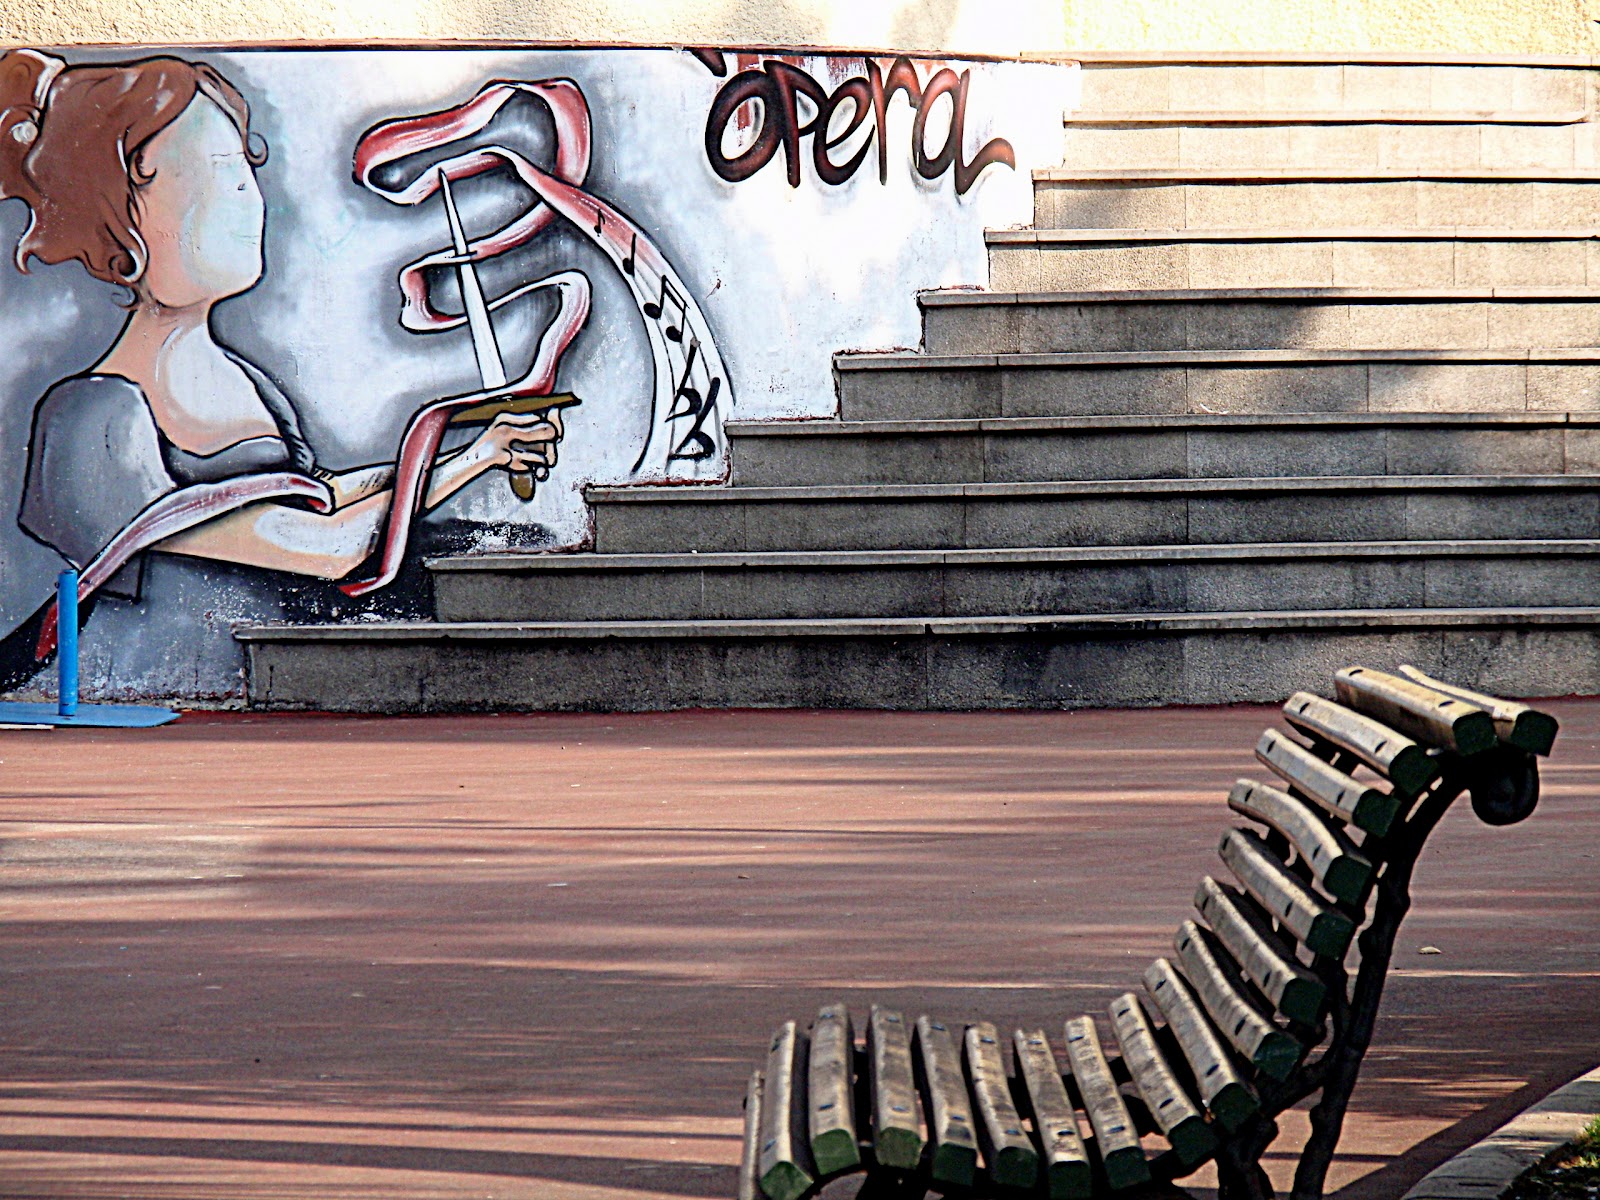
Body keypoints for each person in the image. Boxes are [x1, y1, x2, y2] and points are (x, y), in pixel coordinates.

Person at [0, 49, 563, 620]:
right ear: (117, 224)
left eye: (242, 169)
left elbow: (321, 497)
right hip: (172, 668)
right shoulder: (89, 418)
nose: (245, 197)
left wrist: (481, 446)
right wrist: (467, 463)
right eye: (207, 172)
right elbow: (326, 546)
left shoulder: (247, 382)